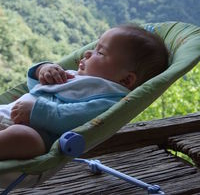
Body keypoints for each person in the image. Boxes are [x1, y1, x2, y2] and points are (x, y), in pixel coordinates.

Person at [0, 24, 168, 160]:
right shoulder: (73, 75)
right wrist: (43, 70)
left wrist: (37, 111)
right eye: (95, 47)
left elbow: (74, 118)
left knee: (24, 138)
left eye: (100, 52)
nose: (87, 53)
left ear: (126, 80)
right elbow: (34, 86)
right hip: (6, 114)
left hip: (36, 133)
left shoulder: (110, 99)